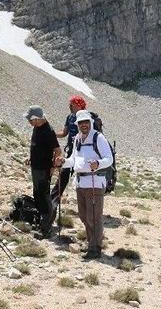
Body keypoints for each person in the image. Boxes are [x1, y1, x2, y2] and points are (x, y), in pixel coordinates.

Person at [62, 110, 113, 259]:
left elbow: (108, 159)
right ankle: (92, 243)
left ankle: (94, 248)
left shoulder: (99, 138)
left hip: (94, 182)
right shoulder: (77, 138)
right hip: (80, 183)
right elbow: (73, 160)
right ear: (77, 124)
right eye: (80, 123)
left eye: (86, 122)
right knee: (84, 216)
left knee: (94, 217)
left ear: (90, 122)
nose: (83, 125)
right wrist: (63, 162)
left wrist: (97, 164)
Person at [25, 105, 62, 239]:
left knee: (44, 196)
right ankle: (42, 223)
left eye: (30, 119)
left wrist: (52, 166)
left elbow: (58, 151)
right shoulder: (37, 127)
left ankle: (46, 228)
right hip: (36, 167)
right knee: (38, 194)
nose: (29, 122)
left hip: (43, 169)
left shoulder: (48, 131)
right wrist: (31, 158)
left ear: (37, 118)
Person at [51, 95, 86, 205]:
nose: (69, 106)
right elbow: (65, 133)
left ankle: (87, 202)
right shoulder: (70, 117)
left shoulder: (86, 118)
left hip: (83, 152)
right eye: (70, 104)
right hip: (71, 150)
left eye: (72, 104)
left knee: (83, 175)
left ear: (79, 105)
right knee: (64, 174)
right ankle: (53, 200)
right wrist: (52, 134)